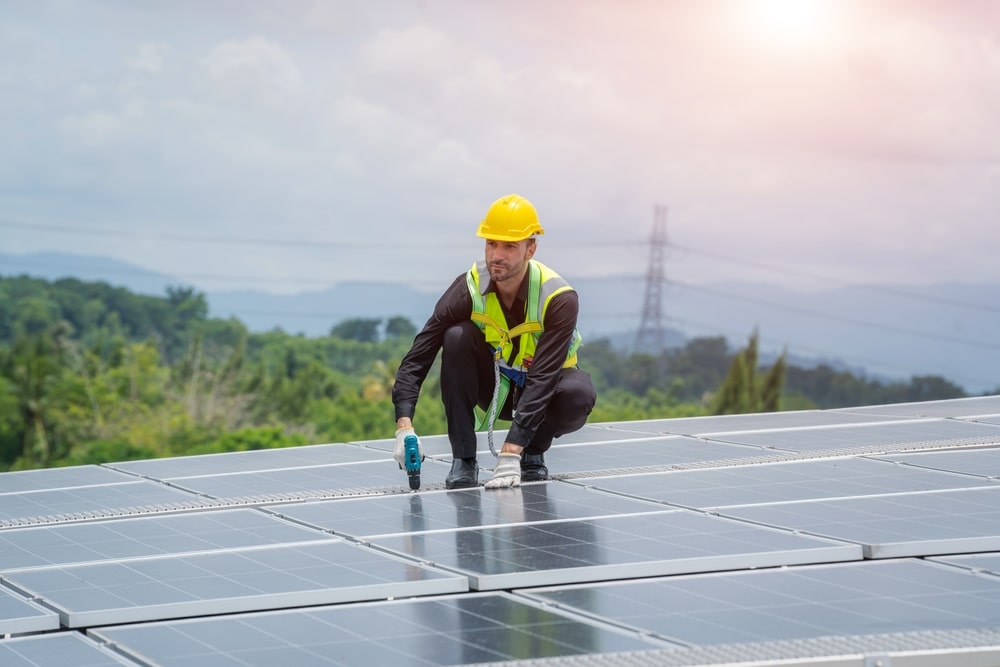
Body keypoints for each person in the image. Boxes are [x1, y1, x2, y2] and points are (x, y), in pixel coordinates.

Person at [392, 193, 597, 489]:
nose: (496, 255)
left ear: (531, 249)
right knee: (456, 336)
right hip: (496, 391)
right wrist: (404, 425)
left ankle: (532, 453)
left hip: (545, 391)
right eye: (491, 243)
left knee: (578, 395)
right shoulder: (467, 289)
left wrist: (513, 449)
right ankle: (463, 460)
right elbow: (419, 355)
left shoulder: (558, 298)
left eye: (509, 246)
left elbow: (543, 378)